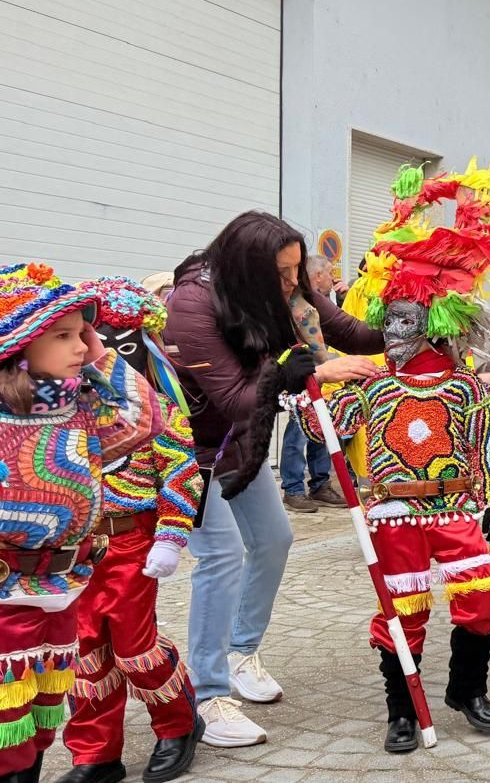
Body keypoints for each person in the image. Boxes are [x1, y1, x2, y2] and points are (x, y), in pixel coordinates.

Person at [295, 164, 490, 752]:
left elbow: (489, 443)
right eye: (389, 319)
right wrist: (311, 389)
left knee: (480, 595)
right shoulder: (370, 381)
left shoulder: (464, 383)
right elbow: (325, 424)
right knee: (401, 609)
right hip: (392, 512)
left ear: (432, 323)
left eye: (407, 319)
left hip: (452, 506)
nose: (394, 330)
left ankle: (466, 689)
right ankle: (402, 709)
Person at [165, 212, 382, 747]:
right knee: (220, 553)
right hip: (185, 450)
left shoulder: (286, 291)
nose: (292, 284)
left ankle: (241, 653)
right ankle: (207, 696)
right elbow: (237, 400)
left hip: (240, 445)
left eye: (295, 272)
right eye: (282, 274)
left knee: (273, 539)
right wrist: (309, 370)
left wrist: (421, 312)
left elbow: (355, 332)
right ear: (248, 267)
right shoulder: (193, 303)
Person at [0, 265, 165, 783]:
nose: (80, 346)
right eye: (64, 336)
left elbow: (144, 418)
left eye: (83, 334)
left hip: (62, 589)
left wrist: (98, 351)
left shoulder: (81, 409)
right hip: (8, 593)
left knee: (42, 720)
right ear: (20, 345)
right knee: (6, 727)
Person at [62, 278, 207, 783]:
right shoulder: (63, 411)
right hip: (75, 549)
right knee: (83, 651)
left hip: (130, 543)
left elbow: (181, 474)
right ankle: (95, 754)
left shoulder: (155, 407)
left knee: (133, 646)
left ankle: (177, 724)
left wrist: (171, 535)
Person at [279, 257, 339, 514]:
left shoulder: (310, 302)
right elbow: (317, 346)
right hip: (303, 373)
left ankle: (320, 484)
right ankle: (293, 489)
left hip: (314, 374)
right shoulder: (300, 304)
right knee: (299, 431)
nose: (333, 278)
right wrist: (329, 369)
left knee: (320, 430)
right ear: (316, 276)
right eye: (329, 274)